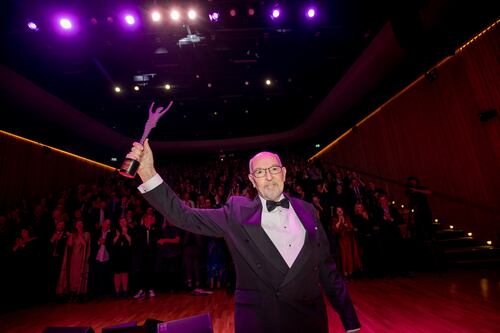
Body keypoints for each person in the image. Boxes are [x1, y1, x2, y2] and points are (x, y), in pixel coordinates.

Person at [126, 138, 360, 333]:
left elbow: (328, 271)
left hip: (309, 321)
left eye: (274, 169)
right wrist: (148, 172)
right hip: (260, 322)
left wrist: (350, 322)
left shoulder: (308, 211)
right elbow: (182, 215)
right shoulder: (236, 213)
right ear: (251, 179)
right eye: (260, 171)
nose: (268, 176)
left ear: (284, 173)